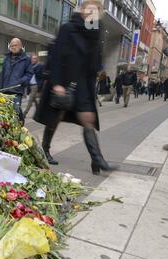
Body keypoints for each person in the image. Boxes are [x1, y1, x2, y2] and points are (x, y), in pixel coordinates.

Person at [34, 0, 115, 175]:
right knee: (55, 117)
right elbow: (55, 57)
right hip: (64, 80)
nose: (92, 13)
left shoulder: (95, 32)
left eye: (97, 10)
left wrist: (95, 43)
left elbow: (95, 63)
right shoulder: (68, 28)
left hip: (84, 84)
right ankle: (45, 149)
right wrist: (55, 83)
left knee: (88, 119)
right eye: (89, 9)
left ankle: (97, 159)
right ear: (82, 10)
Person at [0, 38, 33, 124]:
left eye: (15, 45)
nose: (13, 47)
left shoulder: (26, 59)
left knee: (16, 109)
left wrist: (21, 81)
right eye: (11, 45)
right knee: (4, 110)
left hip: (17, 89)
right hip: (5, 89)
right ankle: (9, 126)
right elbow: (2, 74)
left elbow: (29, 74)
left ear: (20, 46)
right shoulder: (6, 58)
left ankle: (20, 123)